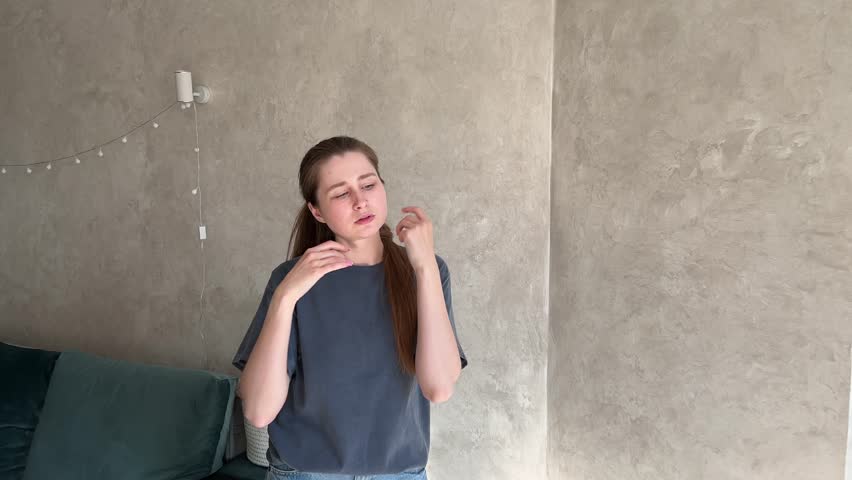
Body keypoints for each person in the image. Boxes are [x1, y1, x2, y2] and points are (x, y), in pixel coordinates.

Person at [232, 136, 468, 480]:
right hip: (305, 474)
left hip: (399, 474)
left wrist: (425, 267)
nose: (361, 202)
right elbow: (258, 411)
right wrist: (285, 298)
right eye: (341, 193)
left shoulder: (428, 271)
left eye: (368, 185)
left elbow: (439, 388)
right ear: (317, 211)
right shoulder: (290, 280)